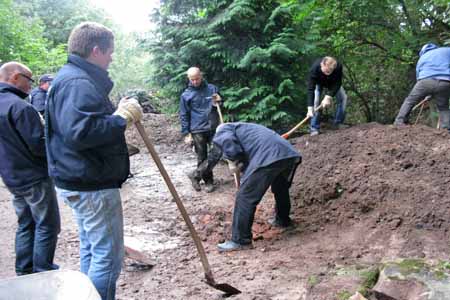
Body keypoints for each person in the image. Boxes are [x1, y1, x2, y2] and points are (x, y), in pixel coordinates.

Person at [45, 22, 143, 300]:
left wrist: (116, 112)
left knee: (92, 248)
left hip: (78, 178)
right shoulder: (78, 82)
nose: (112, 57)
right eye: (110, 51)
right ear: (96, 49)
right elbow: (82, 132)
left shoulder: (70, 77)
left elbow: (80, 124)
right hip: (92, 184)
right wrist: (120, 118)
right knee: (108, 258)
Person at [0, 62, 60, 275]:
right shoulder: (20, 107)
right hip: (33, 177)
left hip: (11, 176)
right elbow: (38, 145)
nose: (30, 85)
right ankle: (43, 269)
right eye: (29, 79)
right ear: (15, 77)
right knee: (47, 224)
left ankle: (24, 271)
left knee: (26, 223)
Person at [212, 122, 301, 252]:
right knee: (280, 188)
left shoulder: (223, 129)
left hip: (268, 156)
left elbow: (230, 145)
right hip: (287, 154)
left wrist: (232, 159)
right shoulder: (246, 128)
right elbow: (250, 154)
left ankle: (241, 240)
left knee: (244, 197)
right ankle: (283, 220)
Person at [179, 67, 223, 193]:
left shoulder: (212, 89)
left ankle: (195, 175)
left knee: (218, 151)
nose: (195, 82)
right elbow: (184, 114)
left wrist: (219, 101)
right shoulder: (186, 95)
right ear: (189, 78)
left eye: (197, 79)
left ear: (201, 76)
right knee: (201, 156)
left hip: (213, 126)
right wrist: (186, 133)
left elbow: (220, 104)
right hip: (197, 128)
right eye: (192, 79)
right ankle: (208, 182)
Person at [394, 43, 450, 128]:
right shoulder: (446, 50)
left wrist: (425, 92)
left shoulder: (422, 58)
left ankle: (399, 122)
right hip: (445, 81)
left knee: (410, 100)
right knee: (443, 107)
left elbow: (418, 76)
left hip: (425, 81)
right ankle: (446, 129)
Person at [306, 56, 348, 136]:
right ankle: (314, 128)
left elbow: (338, 83)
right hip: (319, 83)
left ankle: (338, 123)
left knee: (343, 98)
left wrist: (329, 96)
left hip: (332, 84)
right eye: (326, 71)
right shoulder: (314, 69)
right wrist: (310, 108)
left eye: (330, 71)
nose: (328, 73)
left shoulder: (338, 66)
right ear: (322, 64)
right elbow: (310, 89)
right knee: (316, 102)